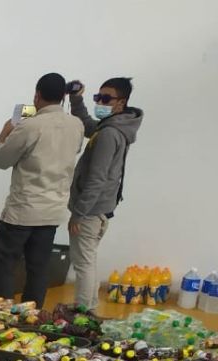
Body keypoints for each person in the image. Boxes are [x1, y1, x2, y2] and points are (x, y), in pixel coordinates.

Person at [0, 73, 84, 307]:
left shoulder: (30, 126)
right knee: (38, 268)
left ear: (37, 95)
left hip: (23, 210)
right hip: (53, 211)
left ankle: (3, 317)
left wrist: (4, 132)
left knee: (4, 263)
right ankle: (31, 318)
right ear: (63, 97)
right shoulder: (77, 125)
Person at [66, 77, 143, 310]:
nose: (101, 102)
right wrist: (76, 99)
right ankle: (88, 306)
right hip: (100, 209)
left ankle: (83, 311)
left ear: (122, 102)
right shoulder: (113, 127)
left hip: (90, 211)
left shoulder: (109, 134)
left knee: (83, 264)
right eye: (98, 97)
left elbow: (96, 179)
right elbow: (90, 126)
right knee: (87, 261)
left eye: (106, 98)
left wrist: (78, 213)